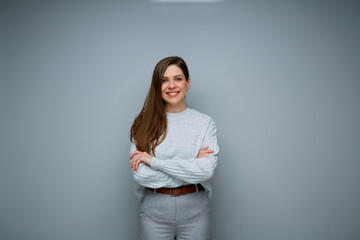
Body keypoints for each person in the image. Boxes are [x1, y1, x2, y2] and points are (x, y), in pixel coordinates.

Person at [129, 56, 219, 240]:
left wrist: (154, 162)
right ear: (157, 85)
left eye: (178, 79)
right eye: (164, 80)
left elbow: (206, 171)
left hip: (195, 212)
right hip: (154, 211)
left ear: (188, 82)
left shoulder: (205, 123)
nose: (171, 85)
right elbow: (140, 174)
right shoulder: (143, 124)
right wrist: (192, 165)